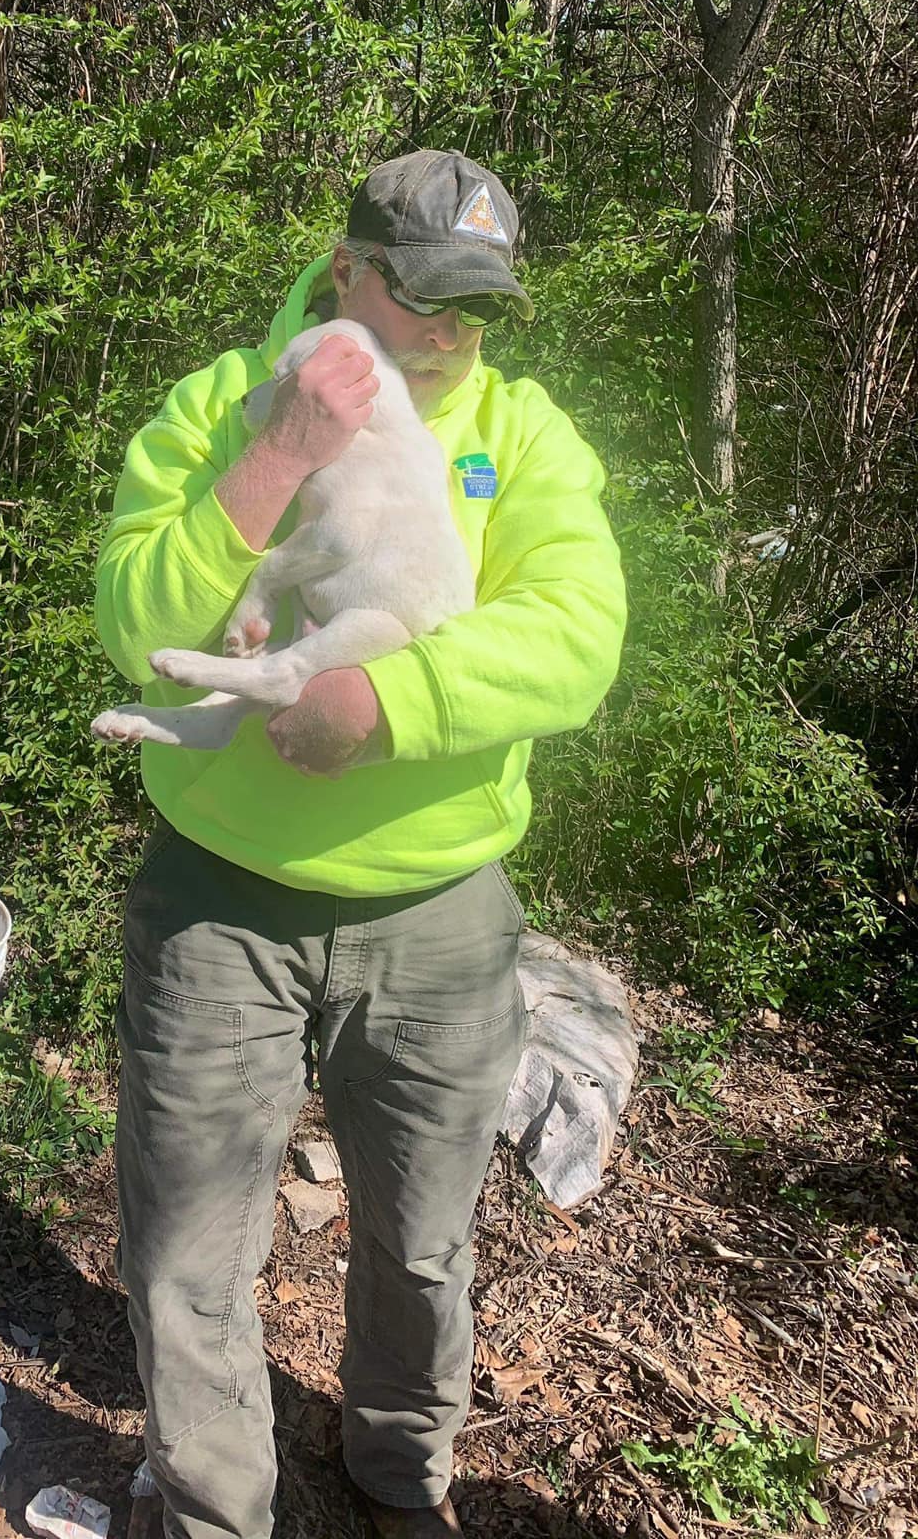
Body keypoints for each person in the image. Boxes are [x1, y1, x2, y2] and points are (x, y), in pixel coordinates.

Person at [95, 149, 626, 1539]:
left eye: (479, 308)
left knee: (424, 1244)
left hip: (439, 916)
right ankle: (215, 1511)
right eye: (425, 297)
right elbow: (131, 612)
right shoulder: (223, 401)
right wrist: (281, 449)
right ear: (347, 271)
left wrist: (381, 703)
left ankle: (402, 1485)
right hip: (219, 904)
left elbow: (576, 641)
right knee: (188, 1253)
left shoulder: (521, 436)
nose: (451, 333)